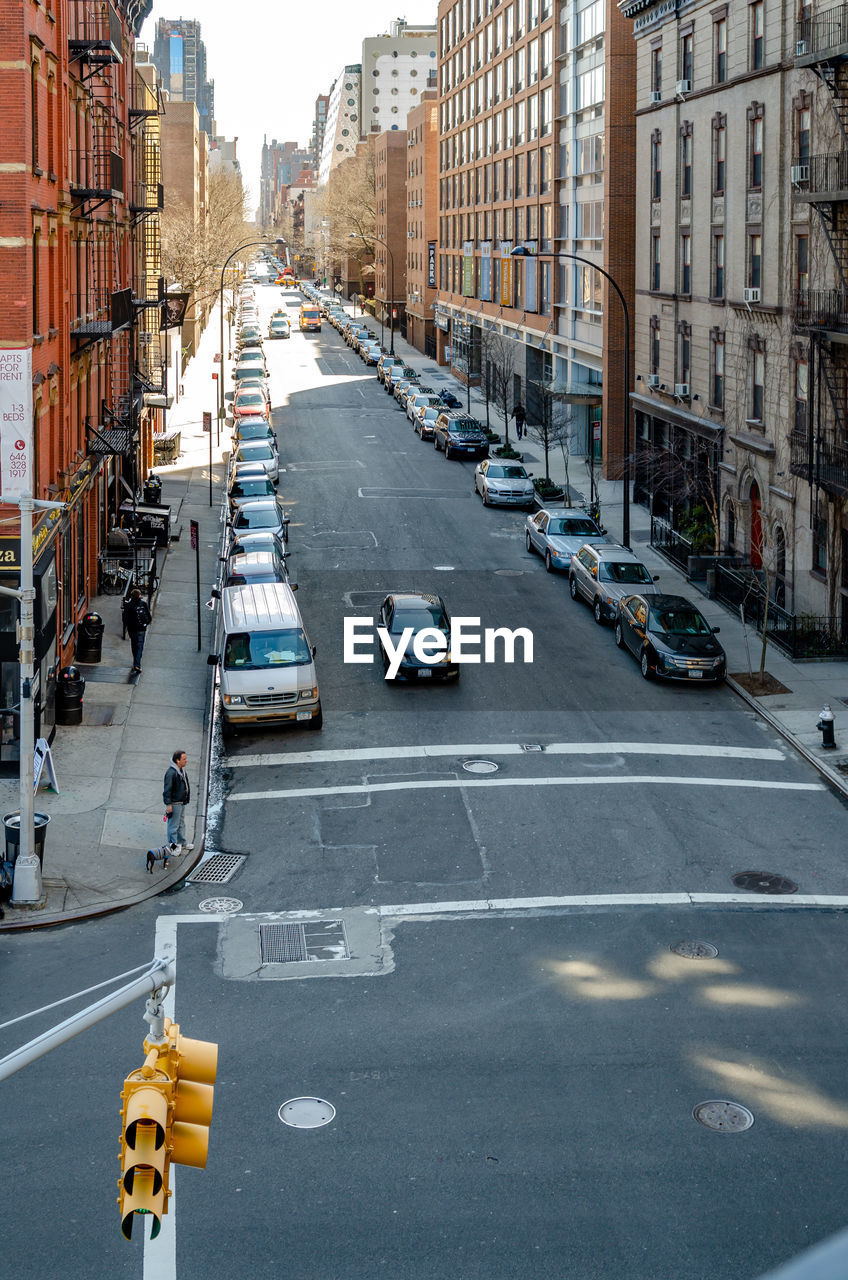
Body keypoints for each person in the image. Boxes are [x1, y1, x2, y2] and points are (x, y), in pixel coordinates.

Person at [163, 750, 194, 853]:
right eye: (184, 759)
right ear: (177, 760)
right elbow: (167, 790)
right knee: (173, 826)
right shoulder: (171, 773)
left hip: (181, 802)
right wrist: (168, 805)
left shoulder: (181, 770)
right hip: (175, 804)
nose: (186, 761)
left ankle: (182, 843)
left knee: (181, 824)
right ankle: (173, 848)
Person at [123, 588, 151, 674]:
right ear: (139, 596)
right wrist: (146, 623)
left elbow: (125, 619)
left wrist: (127, 626)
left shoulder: (128, 605)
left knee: (134, 645)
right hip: (141, 629)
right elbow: (149, 617)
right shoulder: (143, 604)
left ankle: (136, 662)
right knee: (139, 647)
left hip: (132, 629)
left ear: (131, 596)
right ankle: (137, 664)